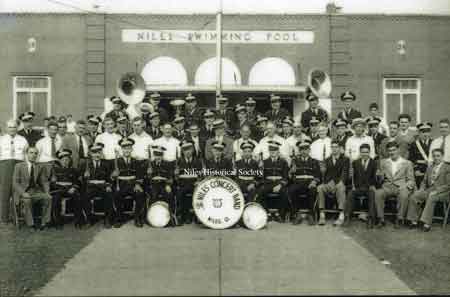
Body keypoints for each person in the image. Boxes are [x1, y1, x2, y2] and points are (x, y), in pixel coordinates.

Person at [407, 148, 450, 231]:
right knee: (415, 196)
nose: (436, 158)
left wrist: (437, 191)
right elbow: (424, 181)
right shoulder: (430, 167)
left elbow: (448, 185)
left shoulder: (447, 167)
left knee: (431, 197)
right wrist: (421, 189)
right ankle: (414, 221)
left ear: (442, 156)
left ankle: (426, 224)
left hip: (444, 192)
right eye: (434, 156)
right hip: (430, 190)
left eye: (438, 156)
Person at [374, 141, 415, 228]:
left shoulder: (407, 163)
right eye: (389, 151)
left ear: (398, 150)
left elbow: (411, 180)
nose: (392, 152)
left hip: (401, 187)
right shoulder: (383, 162)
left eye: (394, 150)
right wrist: (379, 176)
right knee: (378, 193)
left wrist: (405, 187)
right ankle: (381, 219)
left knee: (403, 195)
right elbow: (380, 180)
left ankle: (400, 219)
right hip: (387, 187)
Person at [12, 146, 52, 230]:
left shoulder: (39, 166)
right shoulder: (19, 166)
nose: (33, 155)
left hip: (36, 191)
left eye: (35, 153)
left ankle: (44, 223)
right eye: (31, 153)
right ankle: (31, 224)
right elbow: (15, 183)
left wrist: (47, 191)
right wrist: (23, 193)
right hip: (23, 192)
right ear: (26, 154)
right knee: (27, 200)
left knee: (48, 198)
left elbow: (44, 181)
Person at [111, 138, 146, 228]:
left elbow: (140, 175)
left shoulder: (136, 161)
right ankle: (119, 218)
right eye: (124, 148)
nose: (127, 150)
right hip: (121, 185)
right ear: (121, 149)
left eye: (129, 148)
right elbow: (111, 178)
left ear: (131, 149)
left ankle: (137, 218)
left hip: (133, 185)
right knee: (116, 195)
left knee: (140, 194)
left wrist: (138, 184)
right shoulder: (116, 161)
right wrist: (113, 175)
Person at [80, 143, 115, 228]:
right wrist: (84, 177)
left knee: (109, 195)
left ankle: (107, 219)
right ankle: (89, 219)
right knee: (85, 197)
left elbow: (110, 178)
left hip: (103, 186)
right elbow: (80, 179)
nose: (97, 155)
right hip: (91, 187)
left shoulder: (106, 163)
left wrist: (109, 185)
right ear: (91, 154)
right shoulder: (85, 164)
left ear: (101, 153)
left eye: (99, 152)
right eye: (94, 153)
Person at [0, 119, 28, 224]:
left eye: (14, 127)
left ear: (17, 128)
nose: (12, 129)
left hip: (19, 164)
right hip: (5, 165)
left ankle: (16, 217)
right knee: (4, 192)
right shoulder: (1, 139)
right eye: (10, 127)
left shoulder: (23, 140)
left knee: (17, 191)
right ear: (6, 128)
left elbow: (26, 156)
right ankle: (4, 218)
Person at [344, 143, 377, 228]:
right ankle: (347, 216)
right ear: (360, 152)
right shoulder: (355, 163)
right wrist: (350, 175)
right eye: (363, 152)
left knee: (372, 194)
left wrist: (372, 184)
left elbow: (375, 178)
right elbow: (350, 179)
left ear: (369, 152)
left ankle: (371, 218)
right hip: (357, 187)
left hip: (368, 187)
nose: (364, 154)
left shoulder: (374, 163)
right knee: (350, 193)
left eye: (366, 152)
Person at [288, 140, 321, 225]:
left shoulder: (314, 161)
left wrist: (314, 182)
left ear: (309, 150)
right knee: (291, 190)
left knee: (313, 191)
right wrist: (291, 172)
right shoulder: (295, 161)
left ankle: (311, 214)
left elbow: (318, 175)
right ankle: (296, 214)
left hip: (310, 183)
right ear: (299, 151)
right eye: (302, 149)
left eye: (306, 149)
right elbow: (291, 177)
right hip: (298, 183)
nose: (304, 151)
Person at [317, 140, 349, 226]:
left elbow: (345, 172)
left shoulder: (345, 159)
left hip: (339, 183)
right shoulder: (327, 160)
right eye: (332, 147)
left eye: (336, 147)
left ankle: (341, 215)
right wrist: (323, 171)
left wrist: (341, 181)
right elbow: (324, 175)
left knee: (341, 188)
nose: (334, 149)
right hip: (329, 184)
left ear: (340, 148)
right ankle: (322, 214)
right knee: (320, 187)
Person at [256, 140, 289, 222]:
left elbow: (285, 177)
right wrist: (260, 168)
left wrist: (280, 185)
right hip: (268, 183)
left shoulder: (283, 162)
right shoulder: (264, 162)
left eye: (275, 150)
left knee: (285, 193)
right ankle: (267, 213)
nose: (273, 152)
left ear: (278, 151)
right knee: (260, 192)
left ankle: (280, 214)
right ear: (269, 151)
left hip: (279, 183)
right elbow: (261, 177)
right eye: (271, 150)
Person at [49, 149, 81, 228]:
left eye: (67, 159)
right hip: (59, 190)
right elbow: (52, 183)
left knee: (78, 197)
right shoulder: (54, 170)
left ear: (70, 160)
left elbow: (78, 182)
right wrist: (65, 189)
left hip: (71, 190)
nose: (65, 161)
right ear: (59, 161)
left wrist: (74, 187)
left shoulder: (74, 170)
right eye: (63, 160)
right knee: (56, 199)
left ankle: (78, 221)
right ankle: (57, 222)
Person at [147, 145, 177, 226]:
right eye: (156, 155)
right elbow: (146, 179)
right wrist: (149, 174)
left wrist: (168, 185)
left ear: (162, 155)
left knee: (169, 195)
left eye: (160, 155)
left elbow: (170, 177)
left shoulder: (167, 164)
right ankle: (151, 217)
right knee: (153, 196)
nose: (158, 157)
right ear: (154, 155)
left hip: (164, 184)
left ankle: (171, 216)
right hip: (153, 185)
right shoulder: (150, 164)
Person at [176, 140, 203, 224]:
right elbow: (176, 176)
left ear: (193, 150)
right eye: (185, 150)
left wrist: (198, 181)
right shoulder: (179, 161)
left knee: (199, 194)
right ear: (182, 151)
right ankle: (182, 215)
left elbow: (201, 174)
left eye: (189, 149)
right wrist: (178, 179)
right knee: (180, 194)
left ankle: (197, 215)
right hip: (183, 184)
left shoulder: (198, 161)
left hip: (194, 184)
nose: (187, 152)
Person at [409, 122, 433, 187]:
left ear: (430, 133)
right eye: (423, 132)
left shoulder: (434, 143)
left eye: (427, 132)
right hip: (419, 170)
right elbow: (411, 159)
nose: (425, 134)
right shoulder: (414, 144)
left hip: (431, 170)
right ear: (419, 133)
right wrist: (416, 169)